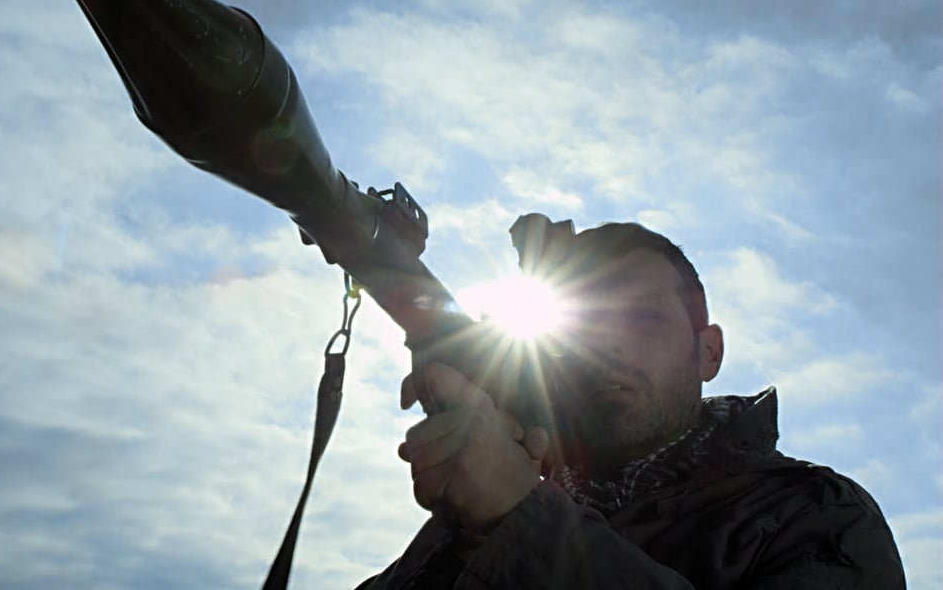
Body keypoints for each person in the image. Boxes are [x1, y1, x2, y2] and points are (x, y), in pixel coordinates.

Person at [356, 218, 906, 589]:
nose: (606, 345)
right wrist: (467, 528)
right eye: (584, 325)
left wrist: (517, 518)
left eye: (643, 318)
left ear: (708, 352)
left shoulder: (816, 513)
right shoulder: (480, 510)